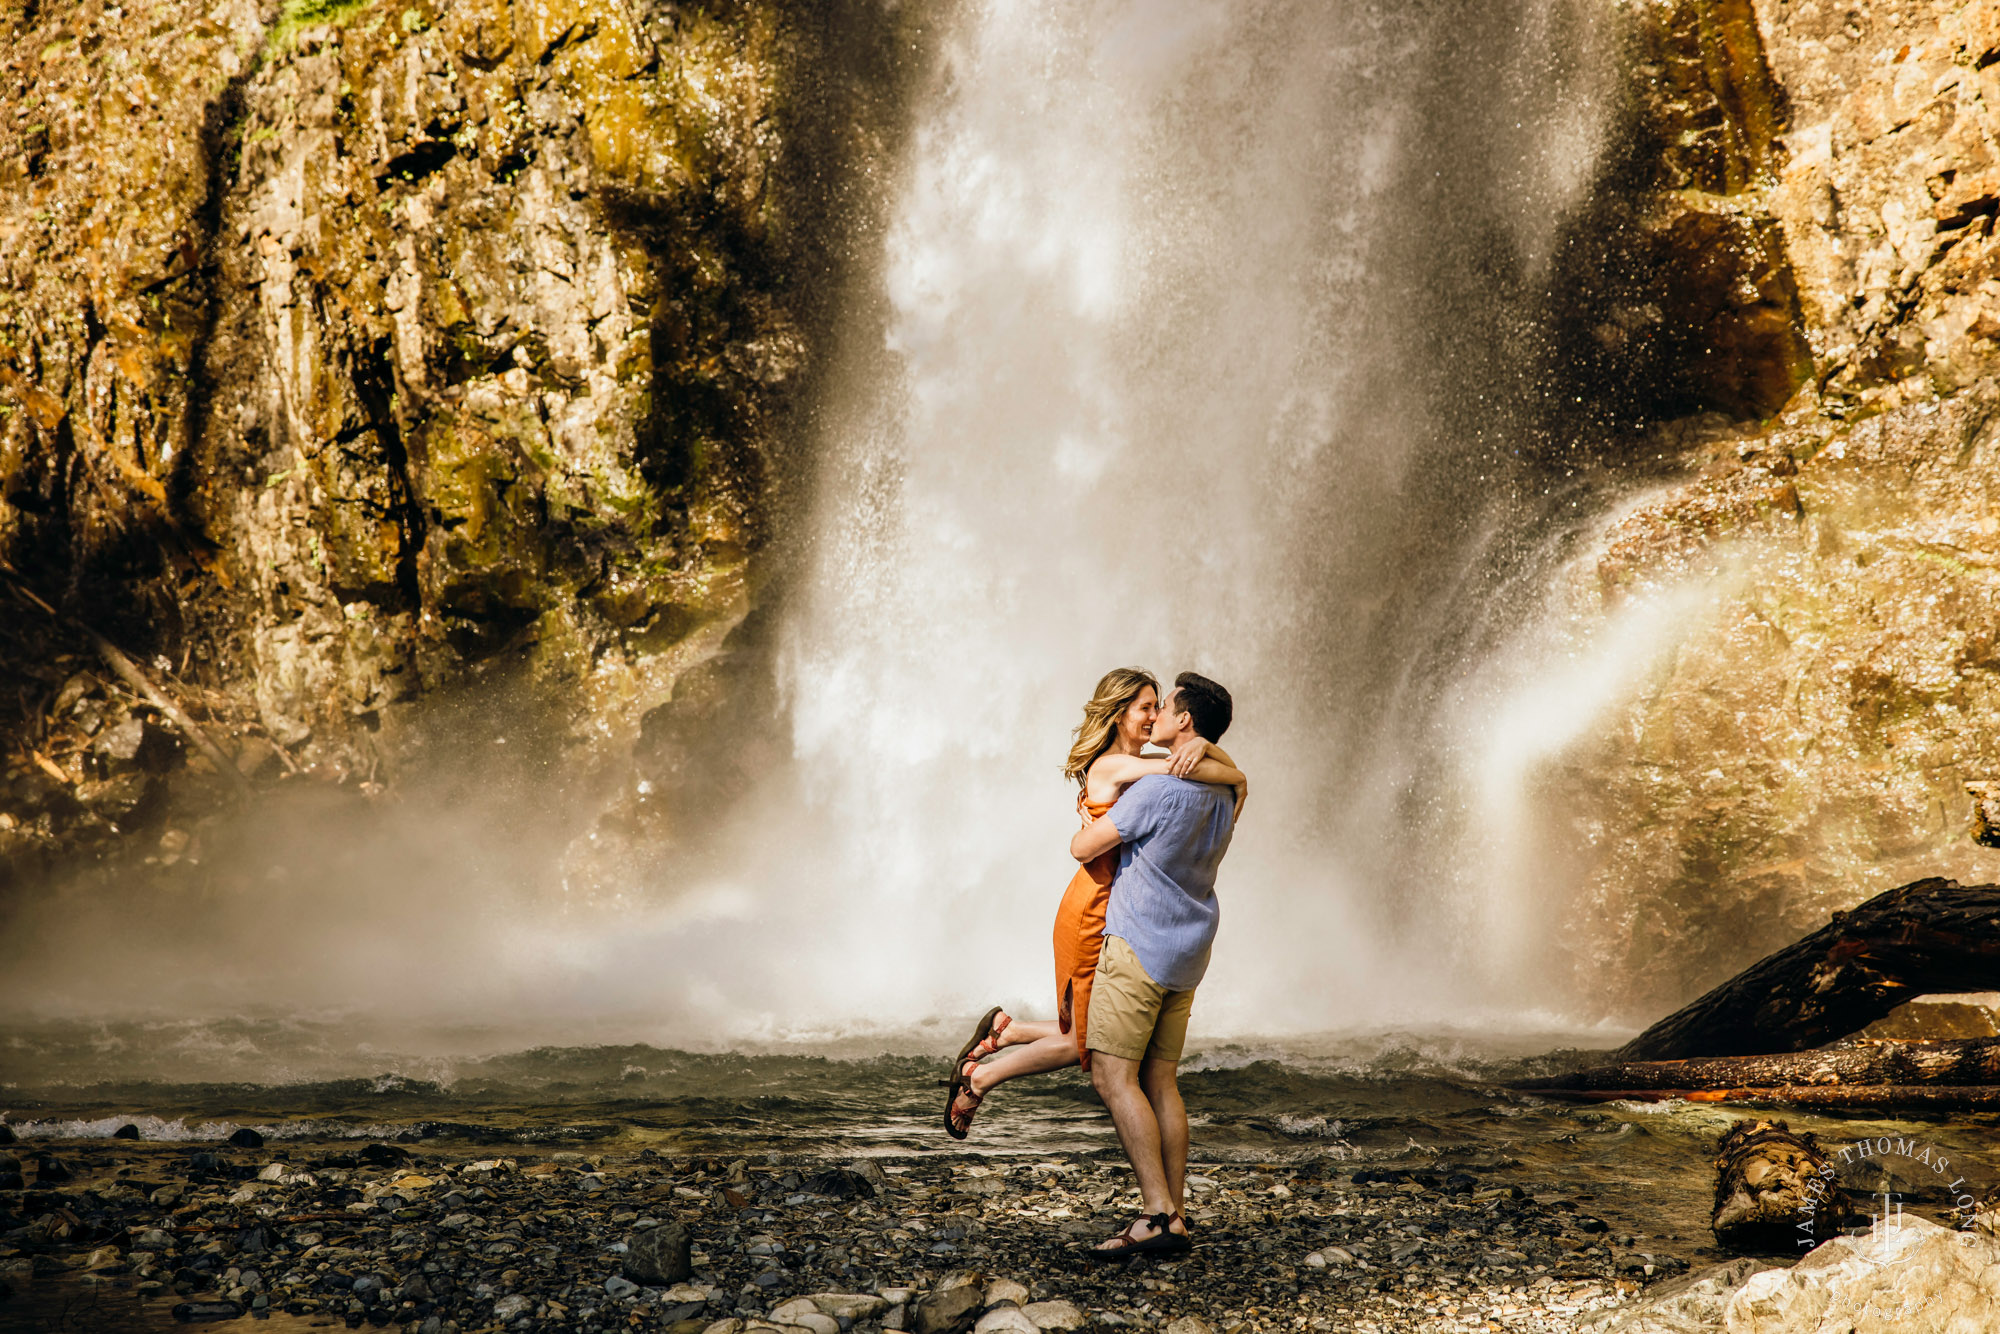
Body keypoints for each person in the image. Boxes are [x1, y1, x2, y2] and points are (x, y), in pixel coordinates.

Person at [943, 669, 1245, 1142]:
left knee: (1088, 1032)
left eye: (1157, 706)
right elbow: (1182, 771)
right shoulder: (1113, 766)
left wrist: (1210, 753)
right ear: (1119, 714)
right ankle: (980, 1076)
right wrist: (1231, 771)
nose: (1152, 715)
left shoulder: (1141, 762)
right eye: (1145, 707)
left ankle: (1005, 1033)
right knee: (1087, 1041)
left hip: (1119, 903)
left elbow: (1186, 768)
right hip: (1093, 908)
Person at [1068, 672, 1240, 1258]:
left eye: (1165, 707)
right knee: (1162, 1081)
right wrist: (1218, 757)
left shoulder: (1155, 790)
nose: (1158, 713)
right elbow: (1240, 781)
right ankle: (1178, 1212)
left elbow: (1084, 848)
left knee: (1113, 1078)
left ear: (1184, 722)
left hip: (1138, 946)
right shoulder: (1226, 793)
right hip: (1189, 953)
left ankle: (1157, 1213)